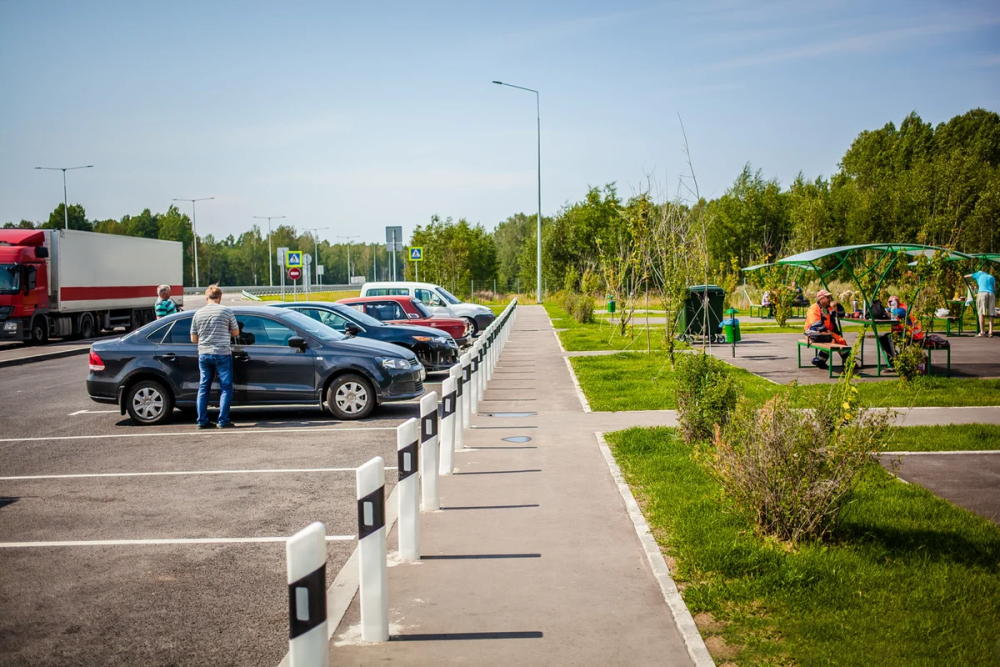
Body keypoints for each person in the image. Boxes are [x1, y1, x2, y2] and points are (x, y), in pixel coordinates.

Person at [190, 285, 240, 429]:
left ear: (206, 297)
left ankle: (202, 421)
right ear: (220, 297)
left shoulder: (198, 314)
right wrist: (224, 333)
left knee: (204, 387)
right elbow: (236, 332)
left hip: (204, 353)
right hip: (222, 353)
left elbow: (194, 339)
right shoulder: (226, 311)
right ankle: (223, 420)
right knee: (226, 387)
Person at [804, 289, 850, 369]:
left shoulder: (829, 308)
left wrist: (838, 305)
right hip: (814, 333)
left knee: (841, 341)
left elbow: (841, 314)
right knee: (834, 341)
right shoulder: (814, 308)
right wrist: (827, 331)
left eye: (829, 297)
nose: (830, 299)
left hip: (827, 333)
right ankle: (849, 362)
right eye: (827, 297)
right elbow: (815, 324)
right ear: (821, 299)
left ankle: (819, 360)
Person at [964, 268, 995, 338]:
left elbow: (965, 276)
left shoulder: (978, 274)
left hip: (982, 294)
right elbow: (994, 288)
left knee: (981, 313)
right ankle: (990, 332)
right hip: (991, 294)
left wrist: (970, 284)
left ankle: (982, 332)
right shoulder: (991, 277)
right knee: (991, 313)